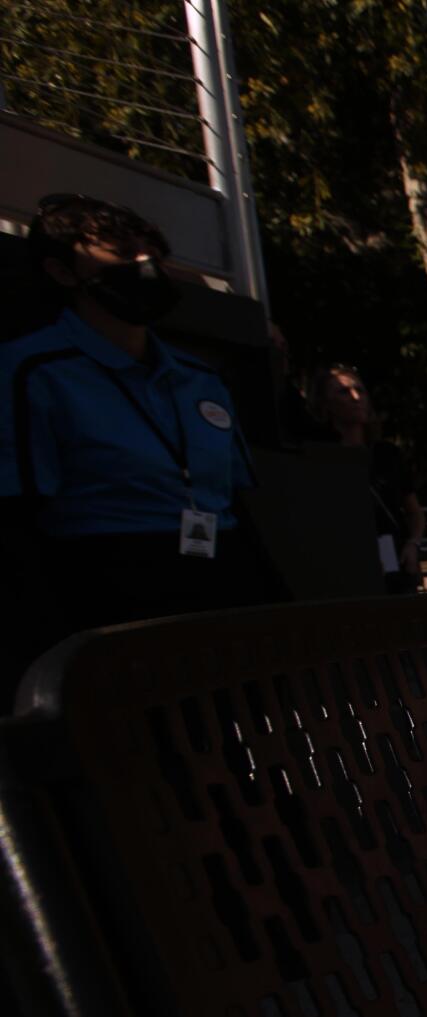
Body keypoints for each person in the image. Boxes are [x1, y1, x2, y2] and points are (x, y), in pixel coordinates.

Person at [0, 194, 281, 695]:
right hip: (109, 595)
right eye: (123, 252)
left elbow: (234, 501)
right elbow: (18, 521)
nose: (146, 265)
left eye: (152, 252)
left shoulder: (201, 380)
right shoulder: (30, 372)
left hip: (219, 583)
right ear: (63, 272)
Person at [311, 364, 425, 592]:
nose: (355, 397)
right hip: (345, 562)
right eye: (343, 392)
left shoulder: (387, 454)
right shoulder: (318, 457)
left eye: (359, 390)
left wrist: (413, 544)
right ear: (325, 404)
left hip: (394, 558)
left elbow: (414, 511)